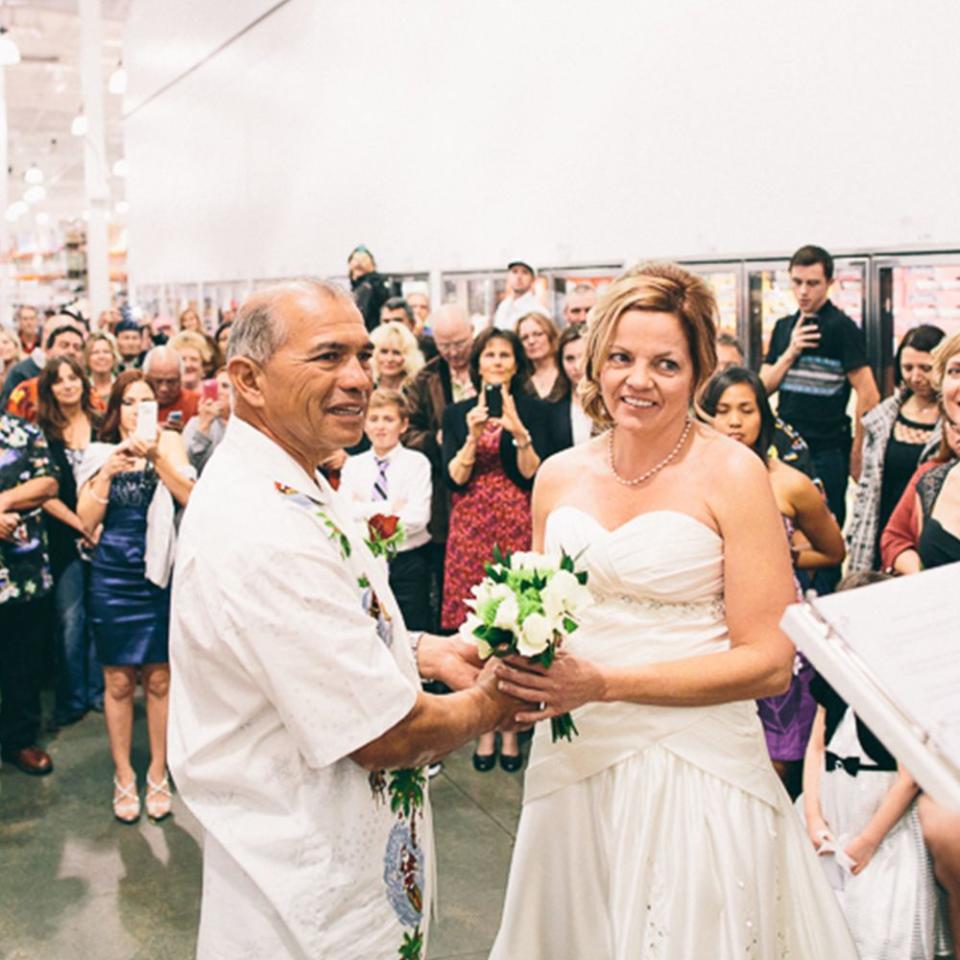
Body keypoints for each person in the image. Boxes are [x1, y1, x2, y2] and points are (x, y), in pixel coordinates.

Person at [488, 263, 858, 959]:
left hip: (696, 763)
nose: (638, 380)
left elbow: (771, 664)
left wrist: (604, 683)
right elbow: (537, 615)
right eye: (622, 358)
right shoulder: (561, 475)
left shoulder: (734, 474)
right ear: (596, 361)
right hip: (576, 760)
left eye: (666, 363)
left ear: (698, 374)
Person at [166, 279, 524, 959]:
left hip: (326, 868)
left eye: (362, 356)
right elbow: (384, 733)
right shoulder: (261, 523)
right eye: (328, 357)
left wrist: (422, 650)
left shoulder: (289, 476)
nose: (359, 379)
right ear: (248, 379)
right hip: (301, 901)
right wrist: (490, 704)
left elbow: (320, 622)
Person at [701, 366, 845, 793]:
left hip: (776, 623)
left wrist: (786, 557)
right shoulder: (694, 479)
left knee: (776, 759)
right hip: (711, 625)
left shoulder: (789, 482)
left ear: (764, 415)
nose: (734, 421)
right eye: (723, 410)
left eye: (746, 409)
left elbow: (833, 551)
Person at [800, 571, 940, 960]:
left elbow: (910, 775)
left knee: (881, 928)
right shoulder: (831, 679)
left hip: (879, 821)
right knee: (825, 921)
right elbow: (816, 746)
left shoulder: (900, 686)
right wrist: (813, 816)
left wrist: (868, 840)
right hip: (831, 814)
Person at [77, 370, 195, 823]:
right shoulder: (99, 452)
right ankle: (124, 773)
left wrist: (156, 458)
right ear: (116, 408)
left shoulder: (169, 444)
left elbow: (191, 497)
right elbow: (86, 521)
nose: (137, 409)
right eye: (129, 402)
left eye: (146, 402)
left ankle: (158, 770)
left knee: (160, 680)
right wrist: (109, 470)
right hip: (111, 574)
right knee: (119, 680)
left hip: (158, 574)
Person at [442, 327, 556, 771]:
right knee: (476, 630)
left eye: (504, 354)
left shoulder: (535, 411)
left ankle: (510, 731)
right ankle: (481, 726)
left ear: (516, 363)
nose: (496, 361)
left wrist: (520, 432)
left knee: (513, 623)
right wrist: (472, 436)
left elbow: (536, 475)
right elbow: (454, 477)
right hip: (471, 525)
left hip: (515, 520)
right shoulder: (456, 413)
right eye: (488, 354)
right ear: (477, 364)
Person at [760, 245, 880, 533]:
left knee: (826, 529)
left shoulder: (842, 328)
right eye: (797, 282)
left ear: (829, 283)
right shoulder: (783, 328)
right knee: (782, 528)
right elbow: (762, 387)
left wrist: (858, 452)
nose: (804, 291)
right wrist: (791, 351)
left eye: (812, 283)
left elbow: (869, 394)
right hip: (785, 446)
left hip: (827, 449)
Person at [36, 357, 103, 727]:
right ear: (50, 388)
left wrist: (98, 523)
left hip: (103, 534)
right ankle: (72, 698)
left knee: (99, 618)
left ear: (83, 382)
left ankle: (98, 692)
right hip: (64, 538)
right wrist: (81, 523)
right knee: (70, 621)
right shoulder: (41, 432)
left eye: (73, 377)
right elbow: (42, 492)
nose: (67, 385)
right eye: (59, 380)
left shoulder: (101, 424)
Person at [846, 325, 946, 572]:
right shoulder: (883, 417)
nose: (915, 377)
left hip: (929, 537)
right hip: (880, 529)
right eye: (908, 368)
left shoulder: (951, 423)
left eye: (925, 368)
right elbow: (867, 488)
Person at [403, 304, 476, 618]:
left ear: (472, 333)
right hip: (443, 489)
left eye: (460, 343)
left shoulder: (489, 366)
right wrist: (436, 441)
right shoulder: (426, 378)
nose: (454, 352)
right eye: (445, 345)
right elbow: (408, 431)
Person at [340, 388, 434, 630]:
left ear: (403, 425)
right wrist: (389, 507)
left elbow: (417, 519)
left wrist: (364, 510)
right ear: (364, 425)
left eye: (388, 419)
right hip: (366, 559)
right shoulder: (353, 466)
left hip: (407, 561)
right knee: (370, 629)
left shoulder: (417, 463)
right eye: (374, 419)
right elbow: (344, 514)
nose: (380, 427)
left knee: (412, 630)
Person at [0, 409, 58, 775]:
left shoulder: (22, 431)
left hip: (24, 573)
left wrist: (3, 502)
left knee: (22, 662)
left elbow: (48, 483)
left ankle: (19, 739)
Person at [6, 323, 87, 423]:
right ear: (47, 351)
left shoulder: (90, 392)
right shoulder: (26, 392)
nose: (71, 351)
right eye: (64, 345)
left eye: (77, 348)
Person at [182, 366, 232, 475]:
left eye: (225, 386)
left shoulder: (247, 425)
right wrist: (204, 425)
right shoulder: (195, 423)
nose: (218, 391)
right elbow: (188, 467)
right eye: (215, 386)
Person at [550, 322, 592, 448]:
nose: (577, 366)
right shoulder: (553, 406)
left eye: (583, 357)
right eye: (570, 359)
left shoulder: (614, 401)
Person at [143, 345, 199, 432]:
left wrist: (187, 433)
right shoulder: (132, 404)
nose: (164, 388)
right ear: (145, 378)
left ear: (181, 378)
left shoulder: (196, 404)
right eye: (158, 381)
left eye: (171, 382)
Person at [517, 311, 565, 401]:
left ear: (551, 336)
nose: (531, 341)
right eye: (524, 338)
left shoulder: (567, 373)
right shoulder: (519, 380)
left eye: (538, 334)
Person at [370, 320, 425, 391]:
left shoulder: (419, 390)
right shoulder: (366, 388)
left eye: (396, 353)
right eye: (384, 352)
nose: (389, 359)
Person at [348, 244, 393, 331]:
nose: (359, 263)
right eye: (356, 259)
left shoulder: (375, 285)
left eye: (363, 259)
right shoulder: (351, 288)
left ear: (373, 265)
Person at [381, 296, 437, 360]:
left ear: (411, 323)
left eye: (397, 320)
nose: (392, 325)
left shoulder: (429, 347)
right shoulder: (374, 347)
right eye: (386, 321)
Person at [493, 259, 541, 331]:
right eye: (514, 271)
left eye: (525, 272)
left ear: (533, 279)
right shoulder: (503, 306)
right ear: (508, 276)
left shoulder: (537, 310)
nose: (519, 277)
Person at [85, 330, 119, 408]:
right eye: (95, 352)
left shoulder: (122, 387)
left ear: (114, 357)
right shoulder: (82, 389)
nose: (101, 357)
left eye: (106, 352)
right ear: (87, 358)